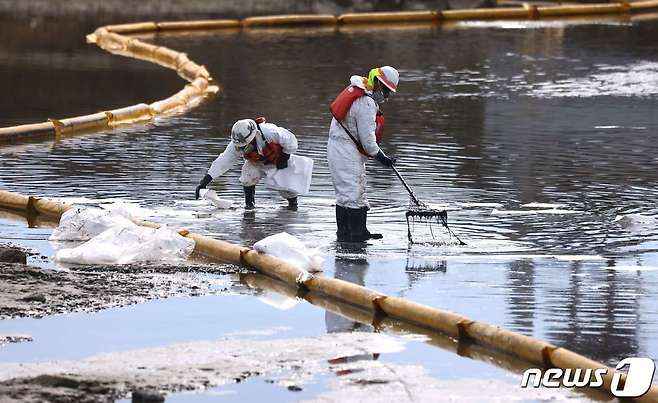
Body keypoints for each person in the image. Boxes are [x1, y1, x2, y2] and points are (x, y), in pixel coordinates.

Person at [327, 66, 399, 242]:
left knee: (345, 194)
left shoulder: (358, 93)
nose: (386, 96)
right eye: (386, 90)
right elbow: (367, 140)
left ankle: (344, 233)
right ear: (377, 83)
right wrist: (382, 158)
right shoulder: (365, 103)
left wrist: (377, 153)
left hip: (339, 148)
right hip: (345, 151)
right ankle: (357, 234)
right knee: (354, 192)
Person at [195, 118, 299, 210]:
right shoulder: (236, 143)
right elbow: (223, 161)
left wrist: (285, 156)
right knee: (247, 176)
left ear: (253, 137)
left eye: (245, 146)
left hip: (278, 159)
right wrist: (205, 181)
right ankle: (249, 206)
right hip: (256, 161)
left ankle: (293, 205)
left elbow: (291, 140)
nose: (241, 149)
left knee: (286, 188)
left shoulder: (270, 132)